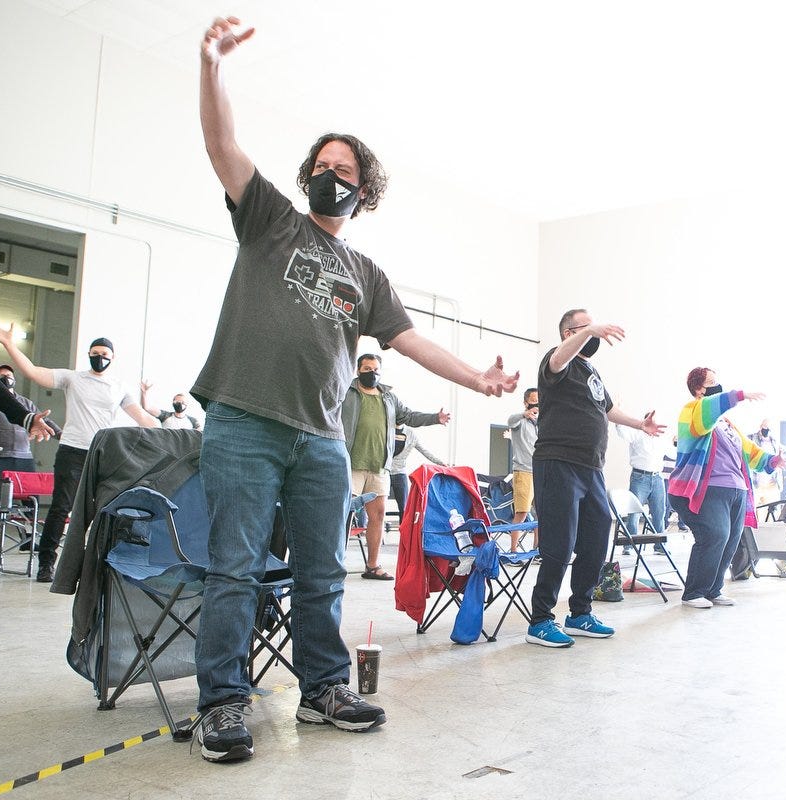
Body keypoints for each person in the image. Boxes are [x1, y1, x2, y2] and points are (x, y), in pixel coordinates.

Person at [188, 16, 518, 764]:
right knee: (234, 568)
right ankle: (222, 704)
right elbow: (221, 146)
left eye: (344, 170)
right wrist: (211, 68)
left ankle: (323, 688)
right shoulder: (270, 220)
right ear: (307, 176)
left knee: (321, 572)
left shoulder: (366, 275)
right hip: (243, 420)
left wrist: (476, 378)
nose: (329, 175)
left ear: (361, 191)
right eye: (322, 164)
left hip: (322, 440)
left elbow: (411, 340)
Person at [525, 309, 665, 648]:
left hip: (591, 468)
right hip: (557, 463)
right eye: (585, 327)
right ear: (568, 333)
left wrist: (639, 425)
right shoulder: (556, 363)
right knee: (558, 545)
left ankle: (580, 612)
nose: (595, 334)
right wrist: (592, 330)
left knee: (597, 537)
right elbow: (558, 359)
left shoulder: (591, 371)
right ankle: (541, 620)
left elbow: (606, 408)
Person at [0, 325, 158, 582]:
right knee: (61, 508)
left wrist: (168, 431)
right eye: (95, 352)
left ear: (112, 358)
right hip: (72, 451)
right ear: (89, 354)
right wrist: (9, 344)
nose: (99, 357)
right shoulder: (73, 378)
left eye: (104, 354)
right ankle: (47, 563)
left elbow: (142, 417)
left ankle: (108, 563)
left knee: (110, 507)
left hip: (104, 453)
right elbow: (35, 373)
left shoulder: (118, 386)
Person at [666, 367, 786, 609]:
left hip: (737, 489)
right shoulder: (692, 411)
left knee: (731, 540)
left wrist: (773, 461)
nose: (717, 386)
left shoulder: (727, 424)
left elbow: (749, 451)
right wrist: (738, 396)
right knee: (715, 535)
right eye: (711, 383)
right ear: (699, 389)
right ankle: (694, 592)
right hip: (709, 488)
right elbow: (709, 411)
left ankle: (713, 589)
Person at [342, 353, 449, 580]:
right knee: (343, 516)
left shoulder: (388, 397)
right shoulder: (346, 392)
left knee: (378, 515)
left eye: (376, 369)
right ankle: (334, 563)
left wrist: (434, 418)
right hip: (350, 464)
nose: (373, 373)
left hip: (380, 467)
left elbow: (408, 416)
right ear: (358, 370)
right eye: (367, 368)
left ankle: (372, 566)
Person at [0, 366, 42, 550]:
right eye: (0, 376)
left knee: (31, 501)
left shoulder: (25, 403)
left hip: (23, 458)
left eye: (9, 375)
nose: (5, 378)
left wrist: (63, 436)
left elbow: (41, 420)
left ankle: (28, 539)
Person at [615, 423, 672, 553]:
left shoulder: (661, 438)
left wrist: (676, 441)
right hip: (639, 476)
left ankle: (660, 546)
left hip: (657, 477)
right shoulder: (637, 434)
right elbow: (621, 431)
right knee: (634, 513)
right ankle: (629, 545)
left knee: (659, 512)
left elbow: (673, 453)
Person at [388, 423, 446, 526]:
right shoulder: (386, 429)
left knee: (404, 507)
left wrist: (440, 463)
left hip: (400, 473)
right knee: (378, 506)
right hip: (384, 472)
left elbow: (424, 450)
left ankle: (404, 535)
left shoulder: (410, 434)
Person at [505, 388, 539, 552]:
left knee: (541, 513)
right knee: (522, 512)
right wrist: (523, 414)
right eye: (533, 401)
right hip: (523, 472)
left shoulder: (538, 424)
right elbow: (510, 420)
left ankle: (538, 549)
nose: (536, 404)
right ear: (526, 403)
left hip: (539, 471)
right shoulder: (520, 421)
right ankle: (513, 550)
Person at [749, 418, 784, 506]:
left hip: (772, 483)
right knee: (757, 514)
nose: (766, 429)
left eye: (768, 427)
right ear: (760, 426)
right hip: (756, 483)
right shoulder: (751, 438)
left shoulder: (774, 442)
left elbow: (783, 453)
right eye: (765, 426)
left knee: (771, 514)